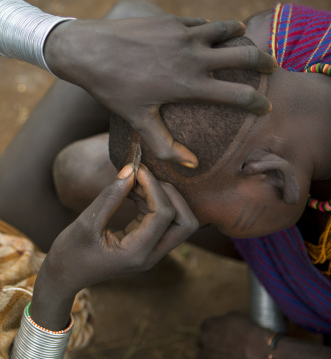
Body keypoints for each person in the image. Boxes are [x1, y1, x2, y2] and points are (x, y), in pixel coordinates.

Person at [0, 0, 272, 357]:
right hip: (27, 326)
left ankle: (134, 268)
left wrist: (62, 41)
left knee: (128, 21)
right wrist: (57, 284)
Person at [49, 2, 331, 358]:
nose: (189, 227)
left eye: (206, 222)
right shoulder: (272, 38)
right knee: (81, 170)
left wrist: (264, 348)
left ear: (275, 176)